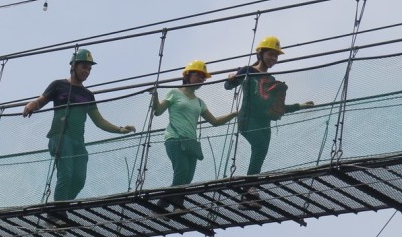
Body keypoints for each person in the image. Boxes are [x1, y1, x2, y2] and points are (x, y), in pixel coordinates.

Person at [22, 48, 135, 224]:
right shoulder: (58, 85)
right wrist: (31, 105)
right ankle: (55, 215)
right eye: (84, 67)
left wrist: (120, 129)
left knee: (79, 180)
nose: (86, 71)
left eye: (89, 69)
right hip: (60, 136)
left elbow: (99, 121)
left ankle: (60, 209)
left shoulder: (88, 95)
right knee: (66, 175)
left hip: (78, 141)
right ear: (73, 66)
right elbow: (41, 100)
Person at [224, 36, 314, 203]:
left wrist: (299, 106)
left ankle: (248, 192)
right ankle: (249, 187)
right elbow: (228, 86)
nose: (273, 59)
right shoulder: (248, 70)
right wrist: (231, 77)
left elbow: (277, 108)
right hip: (247, 120)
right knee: (259, 147)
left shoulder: (272, 81)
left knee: (261, 151)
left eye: (276, 56)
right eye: (270, 54)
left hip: (264, 122)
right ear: (260, 53)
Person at [151, 60, 236, 209]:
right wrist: (155, 95)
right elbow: (158, 111)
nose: (201, 80)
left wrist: (234, 114)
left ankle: (161, 207)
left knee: (187, 178)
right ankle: (177, 206)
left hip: (190, 142)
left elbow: (214, 121)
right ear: (188, 75)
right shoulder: (174, 93)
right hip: (174, 138)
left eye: (204, 77)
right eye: (198, 75)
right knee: (181, 172)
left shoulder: (199, 102)